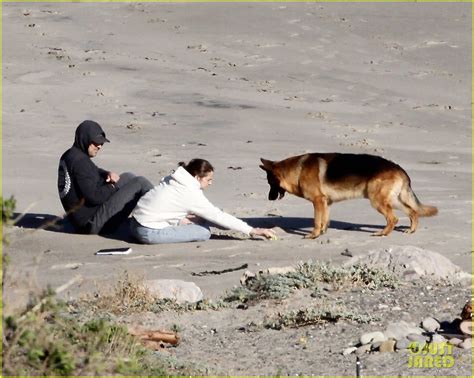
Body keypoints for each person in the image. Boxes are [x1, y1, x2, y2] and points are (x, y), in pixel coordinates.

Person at [130, 158, 275, 244]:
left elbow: (170, 205)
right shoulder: (190, 193)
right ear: (197, 177)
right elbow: (218, 216)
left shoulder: (175, 179)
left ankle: (185, 221)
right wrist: (252, 230)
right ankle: (189, 222)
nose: (210, 183)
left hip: (135, 222)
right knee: (203, 232)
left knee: (205, 216)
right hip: (147, 232)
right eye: (208, 180)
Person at [57, 120, 153, 234]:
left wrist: (106, 173)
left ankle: (151, 214)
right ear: (84, 139)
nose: (99, 146)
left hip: (83, 219)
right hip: (92, 223)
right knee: (140, 183)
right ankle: (164, 210)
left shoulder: (70, 155)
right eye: (95, 143)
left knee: (128, 177)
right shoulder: (80, 162)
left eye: (101, 143)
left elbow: (93, 170)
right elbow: (94, 197)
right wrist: (113, 187)